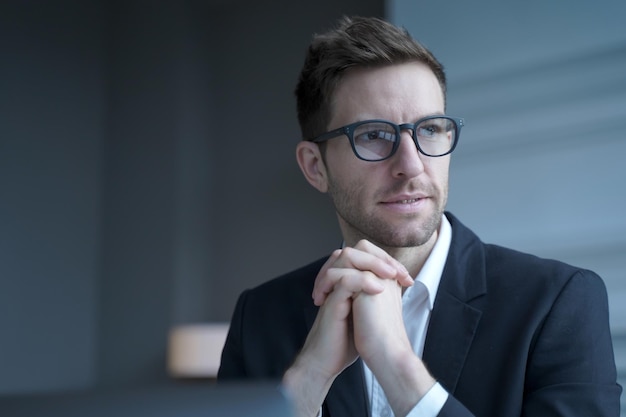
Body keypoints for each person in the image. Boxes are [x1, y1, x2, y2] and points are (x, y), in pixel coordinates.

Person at [217, 16, 621, 417]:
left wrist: (399, 368)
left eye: (429, 129)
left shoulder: (559, 303)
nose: (411, 165)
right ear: (315, 167)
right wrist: (305, 385)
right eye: (373, 135)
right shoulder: (259, 318)